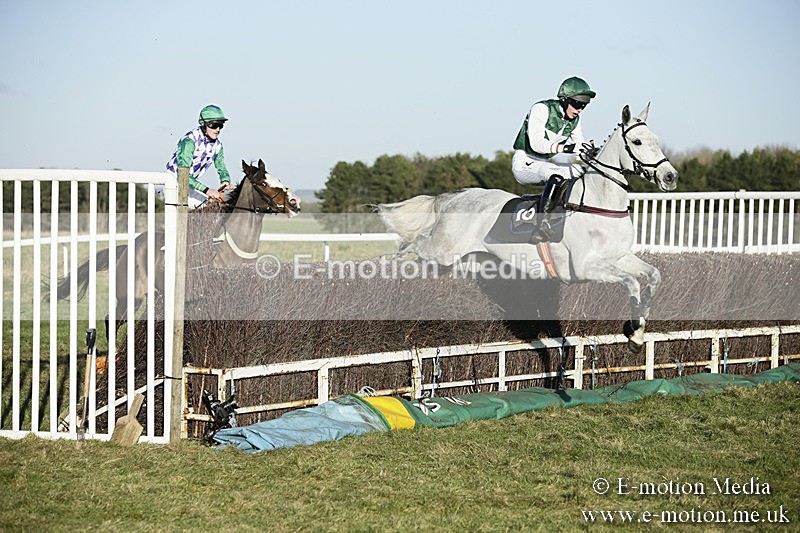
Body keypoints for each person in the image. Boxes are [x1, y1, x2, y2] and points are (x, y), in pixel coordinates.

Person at [511, 77, 596, 241]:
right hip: (525, 162)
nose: (580, 109)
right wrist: (565, 148)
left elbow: (579, 146)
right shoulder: (541, 109)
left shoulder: (575, 120)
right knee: (555, 173)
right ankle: (541, 225)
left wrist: (590, 153)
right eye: (578, 104)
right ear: (564, 100)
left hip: (544, 164)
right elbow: (536, 144)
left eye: (584, 105)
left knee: (581, 172)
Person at [166, 104, 235, 208]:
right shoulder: (189, 142)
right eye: (214, 125)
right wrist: (207, 190)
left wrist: (225, 180)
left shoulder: (218, 145)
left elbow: (221, 166)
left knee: (212, 208)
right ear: (203, 124)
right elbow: (183, 174)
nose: (218, 129)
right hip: (173, 183)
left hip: (189, 186)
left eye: (221, 125)